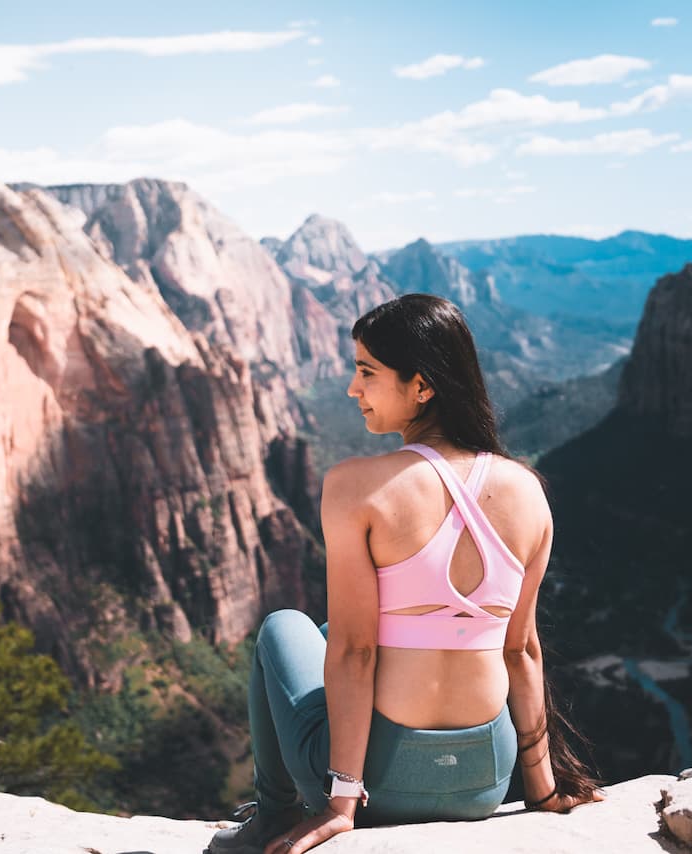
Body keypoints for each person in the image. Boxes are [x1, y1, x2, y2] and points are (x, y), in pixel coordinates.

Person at [209, 294, 604, 854]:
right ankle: (523, 784)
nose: (352, 389)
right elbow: (522, 652)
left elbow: (356, 652)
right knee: (323, 635)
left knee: (282, 627)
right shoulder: (529, 493)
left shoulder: (356, 486)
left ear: (421, 386)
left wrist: (341, 804)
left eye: (366, 372)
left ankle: (271, 817)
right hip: (484, 783)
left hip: (383, 784)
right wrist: (542, 790)